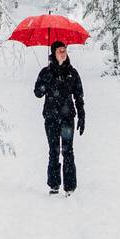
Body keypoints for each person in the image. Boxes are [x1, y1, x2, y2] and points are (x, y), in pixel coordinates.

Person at [33, 40, 85, 195]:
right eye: (60, 51)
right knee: (54, 150)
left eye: (64, 50)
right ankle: (54, 185)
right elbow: (37, 93)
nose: (63, 53)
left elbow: (79, 96)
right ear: (54, 54)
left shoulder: (72, 73)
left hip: (68, 117)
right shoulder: (45, 72)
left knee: (68, 150)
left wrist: (82, 115)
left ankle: (69, 187)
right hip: (51, 118)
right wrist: (45, 82)